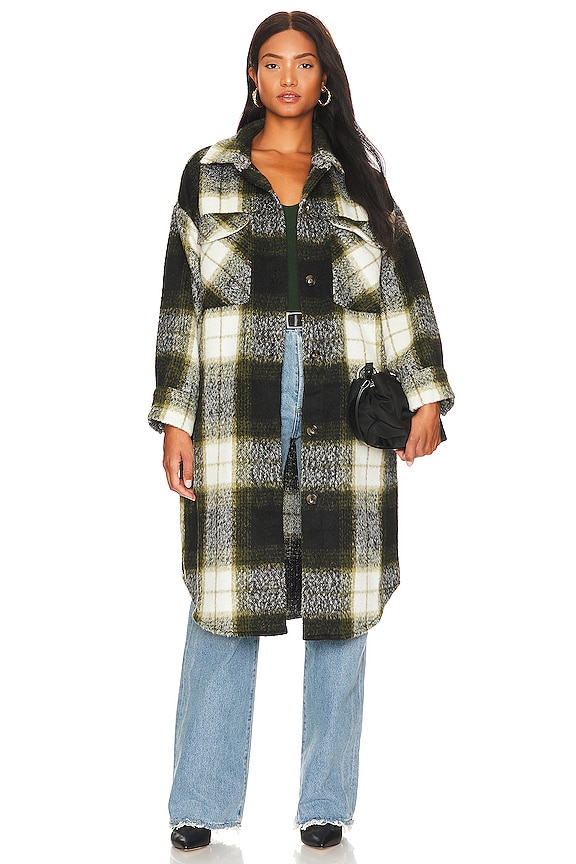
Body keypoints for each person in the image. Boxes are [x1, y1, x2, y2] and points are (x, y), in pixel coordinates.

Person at [148, 10, 454, 852]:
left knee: (340, 600)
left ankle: (326, 803)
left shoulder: (357, 181)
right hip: (234, 397)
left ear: (324, 80)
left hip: (341, 395)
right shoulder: (208, 173)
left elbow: (404, 289)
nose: (288, 77)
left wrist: (426, 394)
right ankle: (199, 802)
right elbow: (180, 301)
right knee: (224, 599)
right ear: (253, 76)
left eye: (305, 63)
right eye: (273, 62)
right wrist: (175, 416)